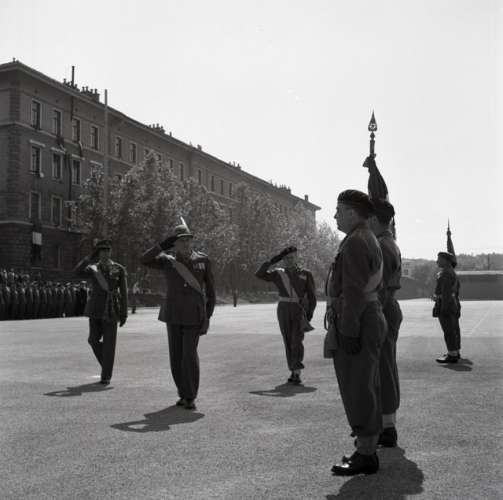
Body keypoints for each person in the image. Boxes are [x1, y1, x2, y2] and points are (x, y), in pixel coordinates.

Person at [325, 189, 386, 476]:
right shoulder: (365, 237)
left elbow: (353, 291)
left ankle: (366, 453)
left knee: (357, 386)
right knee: (365, 384)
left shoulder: (355, 242)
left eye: (339, 210)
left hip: (357, 320)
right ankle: (367, 447)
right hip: (367, 317)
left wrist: (348, 330)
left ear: (351, 213)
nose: (335, 215)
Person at [140, 223, 215, 410]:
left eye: (188, 239)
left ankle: (190, 395)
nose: (185, 243)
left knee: (189, 355)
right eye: (181, 240)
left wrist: (208, 316)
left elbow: (211, 291)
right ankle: (183, 392)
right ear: (174, 243)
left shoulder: (203, 260)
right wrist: (161, 246)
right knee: (176, 357)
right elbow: (144, 260)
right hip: (173, 313)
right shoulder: (167, 260)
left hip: (194, 315)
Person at [255, 246, 316, 385]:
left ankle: (297, 371)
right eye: (286, 258)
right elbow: (259, 274)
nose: (289, 260)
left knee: (296, 340)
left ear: (297, 257)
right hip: (283, 309)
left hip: (299, 310)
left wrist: (309, 314)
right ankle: (293, 370)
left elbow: (312, 297)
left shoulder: (306, 274)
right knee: (288, 340)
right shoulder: (278, 273)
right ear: (283, 260)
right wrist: (272, 261)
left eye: (292, 257)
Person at [369, 199, 403, 448]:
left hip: (382, 307)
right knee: (383, 366)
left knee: (383, 367)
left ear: (373, 219)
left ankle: (388, 426)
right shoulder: (386, 242)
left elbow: (380, 286)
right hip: (386, 307)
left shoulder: (382, 245)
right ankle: (384, 423)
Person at [74, 239, 128, 385]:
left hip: (112, 309)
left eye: (107, 250)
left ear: (110, 252)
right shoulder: (93, 268)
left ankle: (106, 375)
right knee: (92, 340)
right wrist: (88, 258)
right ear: (98, 253)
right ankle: (107, 363)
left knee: (109, 344)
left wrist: (124, 313)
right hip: (95, 309)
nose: (104, 253)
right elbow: (77, 272)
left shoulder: (119, 269)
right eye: (101, 251)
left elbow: (124, 293)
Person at [433, 252, 461, 363]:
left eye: (439, 259)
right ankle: (455, 351)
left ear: (446, 261)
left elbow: (446, 293)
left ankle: (452, 354)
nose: (437, 261)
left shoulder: (445, 274)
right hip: (452, 303)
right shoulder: (451, 272)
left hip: (446, 304)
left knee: (448, 330)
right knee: (453, 329)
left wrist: (444, 308)